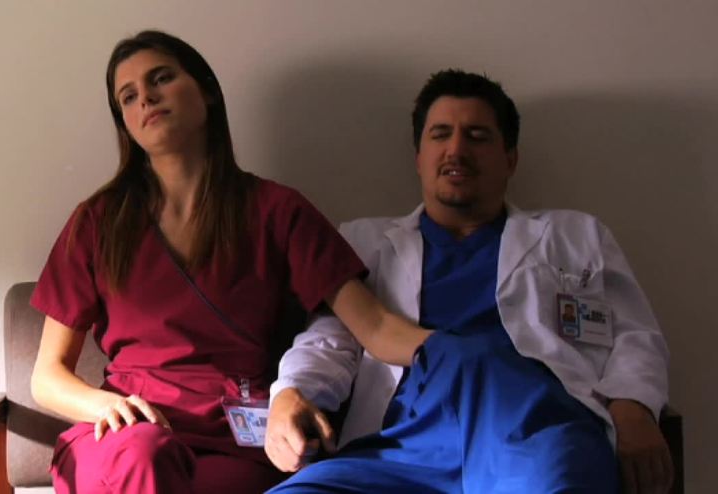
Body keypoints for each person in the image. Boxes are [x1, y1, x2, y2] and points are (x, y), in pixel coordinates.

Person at [29, 30, 429, 494]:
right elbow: (47, 377)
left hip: (233, 439)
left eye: (161, 79)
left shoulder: (278, 211)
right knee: (144, 455)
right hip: (125, 434)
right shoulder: (99, 221)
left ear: (208, 92)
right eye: (129, 96)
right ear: (126, 124)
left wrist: (463, 351)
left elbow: (374, 325)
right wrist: (102, 406)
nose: (146, 99)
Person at [266, 69, 673, 493]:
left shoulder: (575, 235)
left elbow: (635, 335)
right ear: (419, 157)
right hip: (400, 450)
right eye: (440, 135)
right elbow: (328, 341)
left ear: (510, 159)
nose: (456, 150)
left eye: (477, 137)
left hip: (535, 435)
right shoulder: (364, 242)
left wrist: (634, 406)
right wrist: (291, 391)